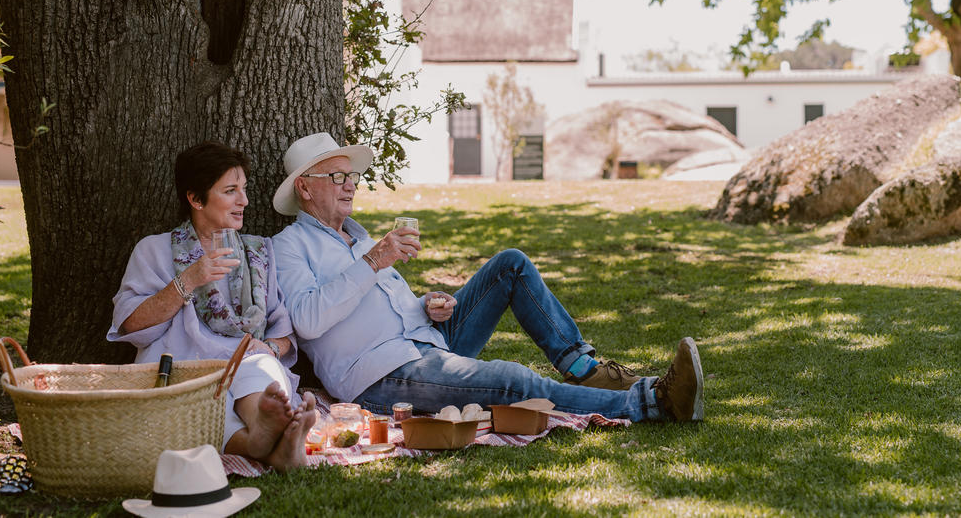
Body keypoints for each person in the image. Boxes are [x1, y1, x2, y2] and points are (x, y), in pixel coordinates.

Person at [272, 132, 703, 423]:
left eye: (351, 176)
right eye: (337, 177)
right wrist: (374, 261)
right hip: (382, 374)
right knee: (513, 380)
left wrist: (427, 305)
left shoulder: (360, 236)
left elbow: (382, 304)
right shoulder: (289, 246)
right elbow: (307, 320)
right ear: (305, 188)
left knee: (510, 264)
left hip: (427, 339)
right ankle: (651, 402)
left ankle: (583, 367)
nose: (350, 185)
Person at [107, 141, 318, 472]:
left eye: (244, 189)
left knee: (261, 371)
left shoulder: (258, 253)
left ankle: (265, 429)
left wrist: (271, 348)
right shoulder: (154, 250)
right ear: (195, 199)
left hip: (245, 358)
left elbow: (283, 331)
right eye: (231, 191)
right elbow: (130, 324)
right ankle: (268, 445)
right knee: (198, 402)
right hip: (187, 364)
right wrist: (188, 280)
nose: (244, 201)